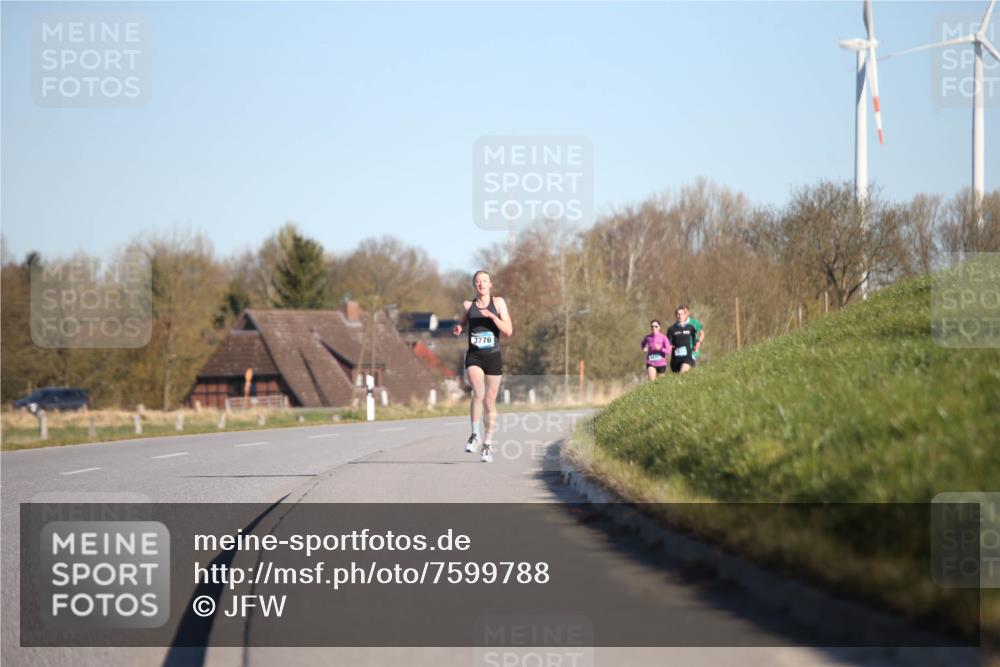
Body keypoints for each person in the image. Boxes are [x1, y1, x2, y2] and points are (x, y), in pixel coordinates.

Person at [452, 270, 513, 463]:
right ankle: (474, 435)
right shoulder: (468, 305)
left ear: (490, 284)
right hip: (475, 356)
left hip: (493, 357)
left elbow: (509, 331)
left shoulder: (499, 303)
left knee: (489, 401)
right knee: (477, 392)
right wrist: (459, 327)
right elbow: (463, 322)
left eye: (484, 281)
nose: (481, 284)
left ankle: (487, 444)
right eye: (477, 281)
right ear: (474, 285)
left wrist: (492, 317)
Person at [666, 305, 701, 374]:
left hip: (687, 357)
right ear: (676, 315)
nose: (680, 316)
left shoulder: (690, 328)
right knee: (677, 378)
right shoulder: (671, 329)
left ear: (685, 315)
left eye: (682, 314)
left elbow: (694, 338)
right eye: (678, 314)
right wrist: (669, 347)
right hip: (675, 359)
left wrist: (695, 345)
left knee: (683, 372)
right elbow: (668, 342)